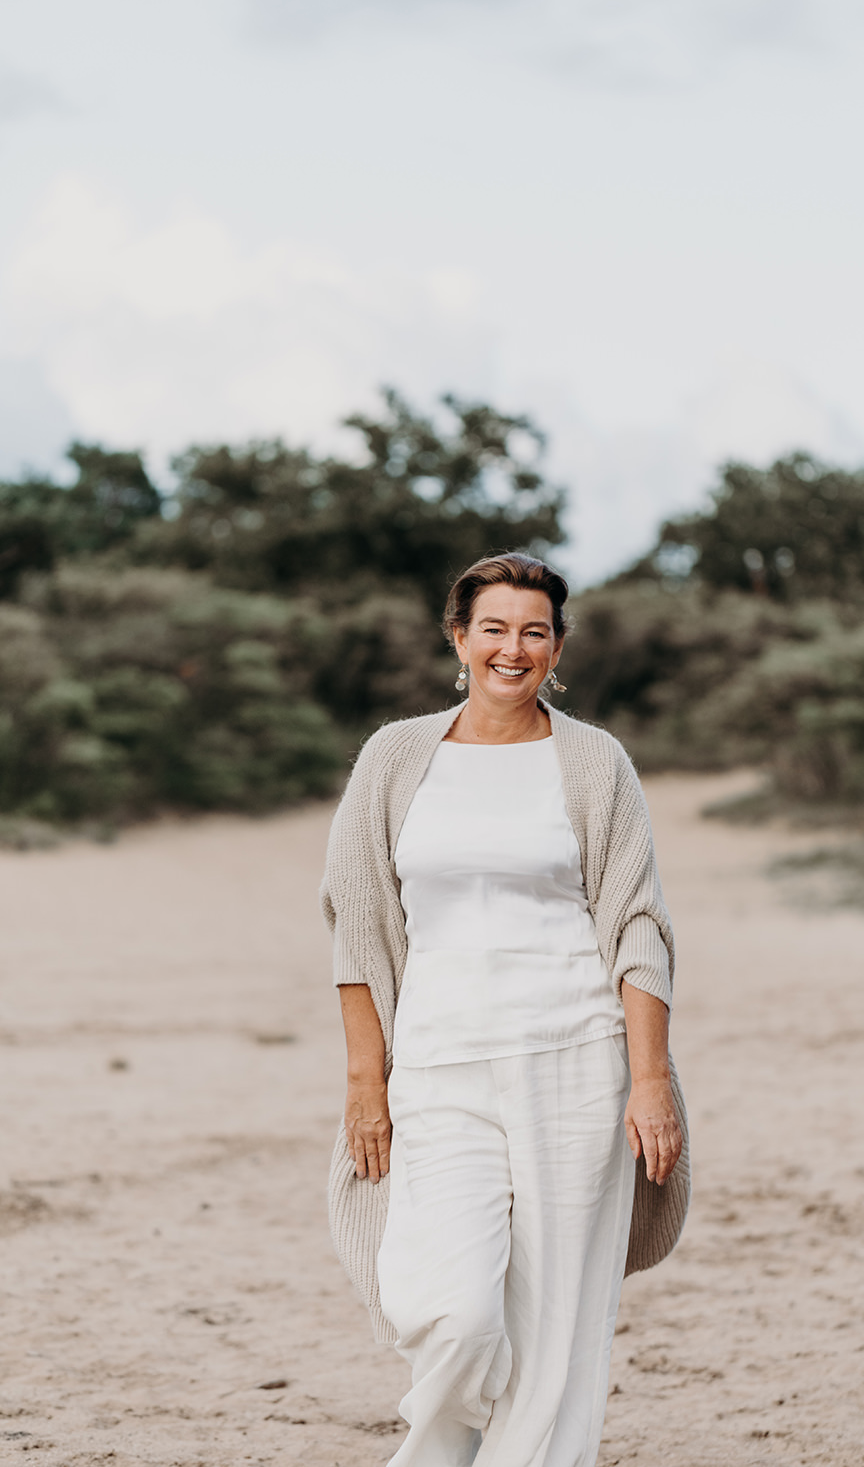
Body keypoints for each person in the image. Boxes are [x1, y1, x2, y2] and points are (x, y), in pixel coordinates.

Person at [320, 551, 690, 1467]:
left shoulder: (594, 762)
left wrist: (651, 1082)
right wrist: (367, 1084)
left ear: (557, 647)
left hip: (576, 1059)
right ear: (459, 637)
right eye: (494, 628)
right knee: (449, 1311)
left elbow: (637, 922)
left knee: (556, 1330)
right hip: (440, 1065)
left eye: (533, 631)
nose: (512, 649)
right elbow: (358, 925)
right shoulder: (396, 757)